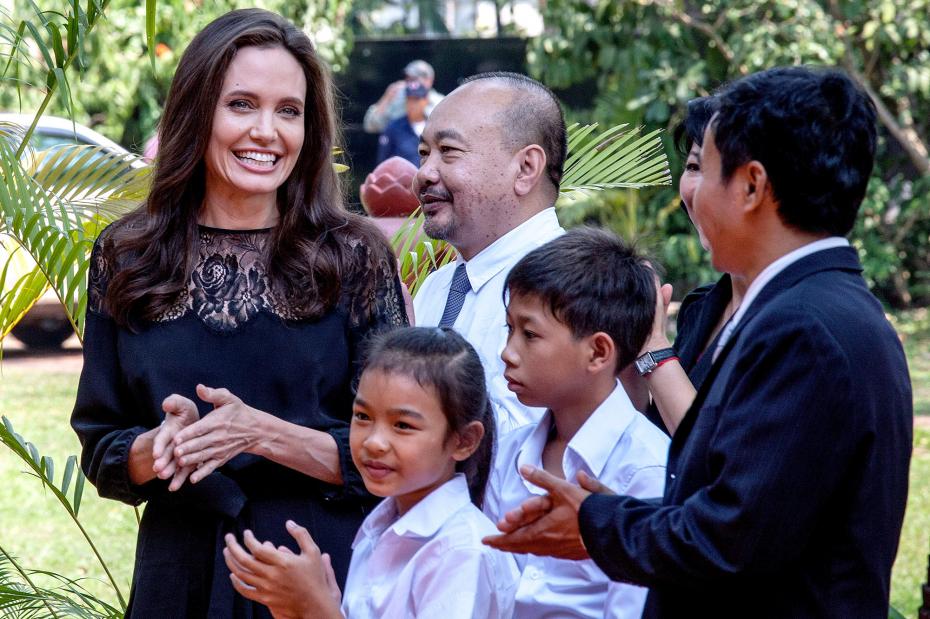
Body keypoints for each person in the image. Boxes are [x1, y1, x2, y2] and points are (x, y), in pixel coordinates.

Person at [484, 66, 913, 618]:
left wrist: (596, 524)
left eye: (702, 169)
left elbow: (732, 537)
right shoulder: (795, 307)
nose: (689, 194)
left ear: (752, 186)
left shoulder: (806, 329)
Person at [70, 9, 407, 617]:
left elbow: (401, 451)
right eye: (242, 105)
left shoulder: (354, 256)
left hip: (317, 573)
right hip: (181, 575)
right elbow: (101, 444)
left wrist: (261, 434)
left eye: (288, 111)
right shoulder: (126, 255)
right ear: (197, 113)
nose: (267, 132)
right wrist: (160, 448)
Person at [223, 327, 520, 618]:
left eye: (403, 425)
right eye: (363, 417)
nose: (374, 442)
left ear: (464, 441)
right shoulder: (378, 528)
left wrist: (317, 611)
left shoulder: (463, 553)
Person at [485, 227, 669, 618]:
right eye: (509, 329)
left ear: (598, 352)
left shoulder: (646, 470)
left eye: (529, 334)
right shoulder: (508, 453)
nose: (507, 353)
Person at [413, 72, 567, 435]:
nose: (423, 173)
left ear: (526, 167)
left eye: (448, 151)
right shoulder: (436, 287)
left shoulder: (571, 288)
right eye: (423, 154)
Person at [636, 96, 749, 436]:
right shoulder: (701, 308)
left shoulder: (794, 320)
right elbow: (661, 437)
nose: (698, 192)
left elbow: (712, 452)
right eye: (694, 167)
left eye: (716, 170)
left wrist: (652, 348)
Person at [363, 59, 443, 134]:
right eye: (408, 79)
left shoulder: (441, 102)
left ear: (429, 80)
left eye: (414, 79)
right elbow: (371, 126)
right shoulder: (398, 99)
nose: (410, 83)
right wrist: (387, 98)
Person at [375, 80, 430, 167]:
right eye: (409, 99)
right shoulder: (393, 128)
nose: (412, 104)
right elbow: (382, 162)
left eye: (416, 99)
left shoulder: (433, 126)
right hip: (402, 179)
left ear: (426, 100)